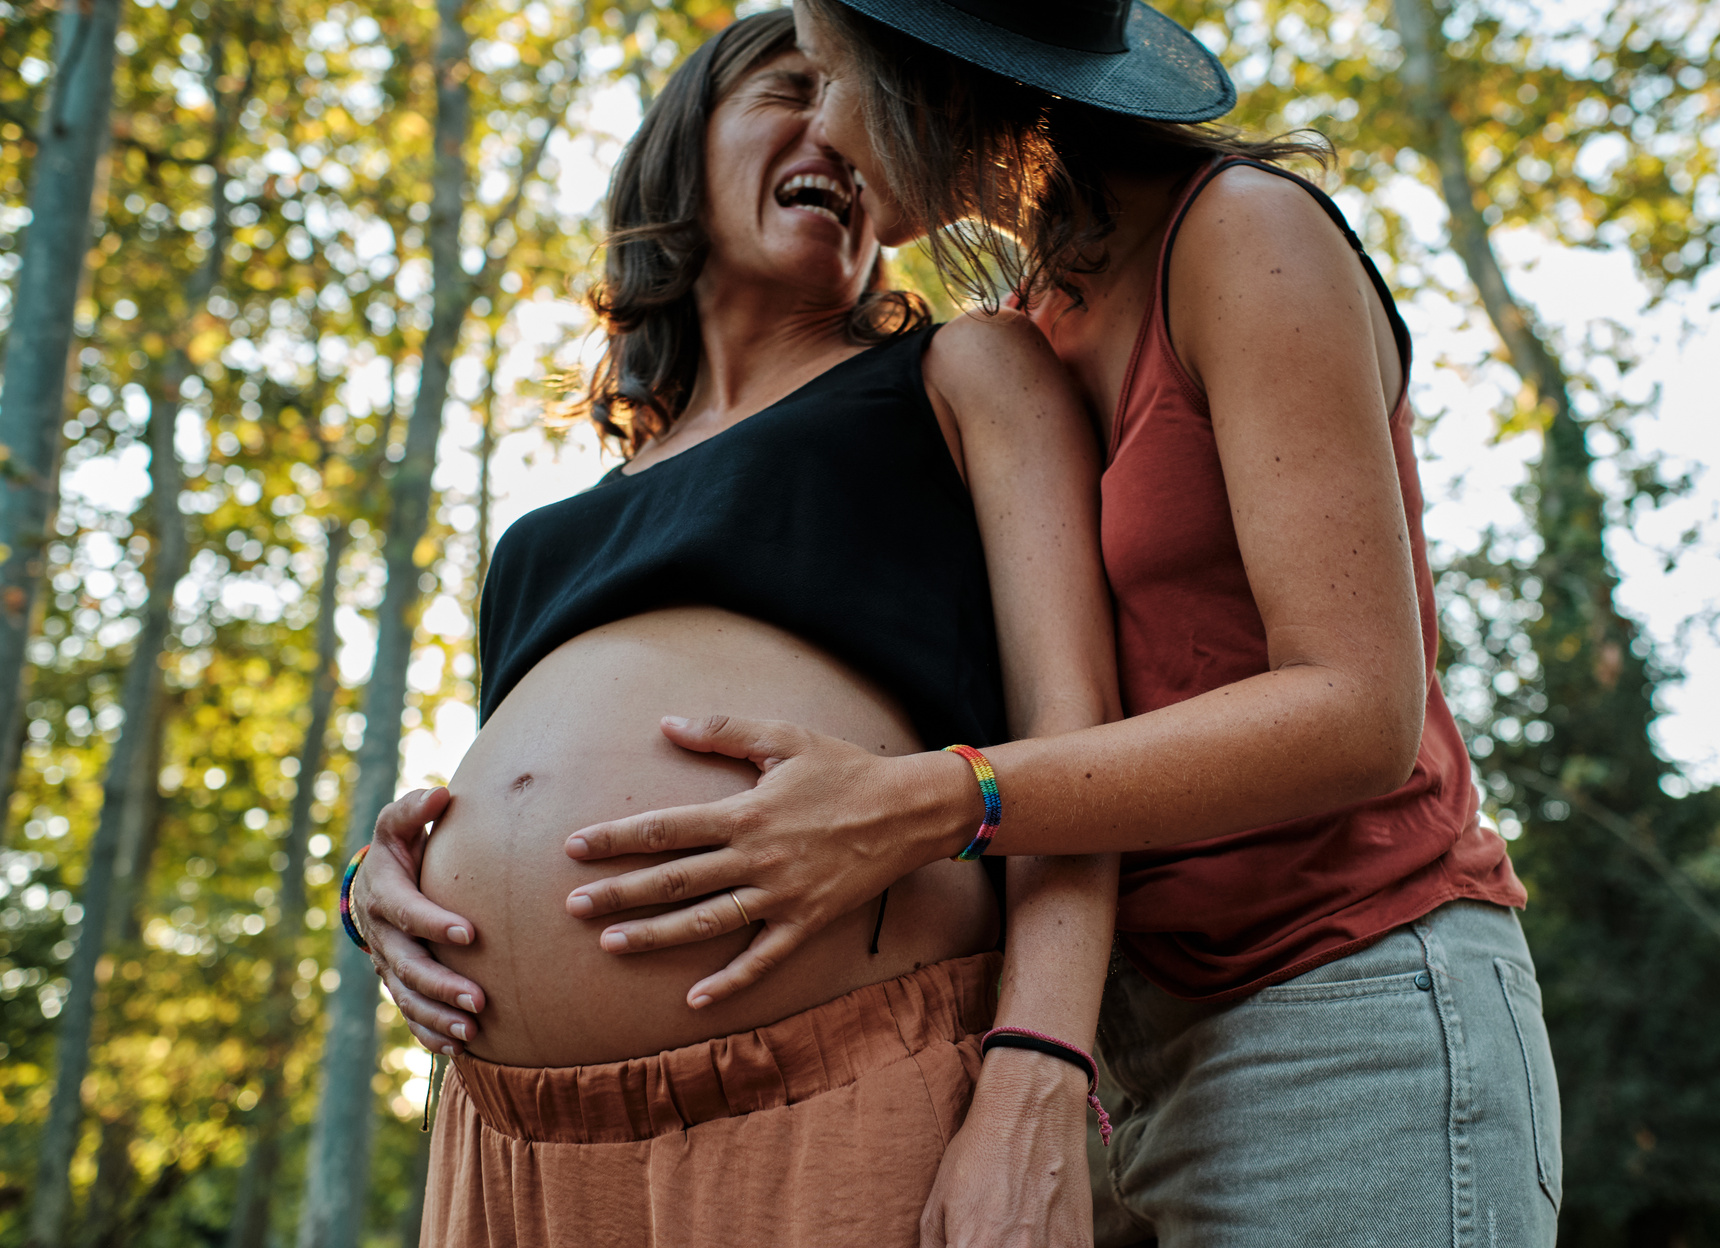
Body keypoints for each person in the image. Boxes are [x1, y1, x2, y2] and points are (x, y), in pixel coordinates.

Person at [531, 2, 1564, 1245]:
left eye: (832, 75)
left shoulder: (1238, 235)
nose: (830, 127)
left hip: (1350, 1001)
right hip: (1134, 1036)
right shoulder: (1038, 320)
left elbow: (1358, 714)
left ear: (923, 76)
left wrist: (924, 803)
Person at [343, 12, 1121, 1244]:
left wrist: (1038, 1070)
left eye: (864, 105)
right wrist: (376, 886)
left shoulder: (963, 373)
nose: (839, 131)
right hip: (499, 1152)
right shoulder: (546, 536)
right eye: (792, 89)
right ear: (682, 146)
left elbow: (1080, 742)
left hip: (837, 1093)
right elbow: (513, 801)